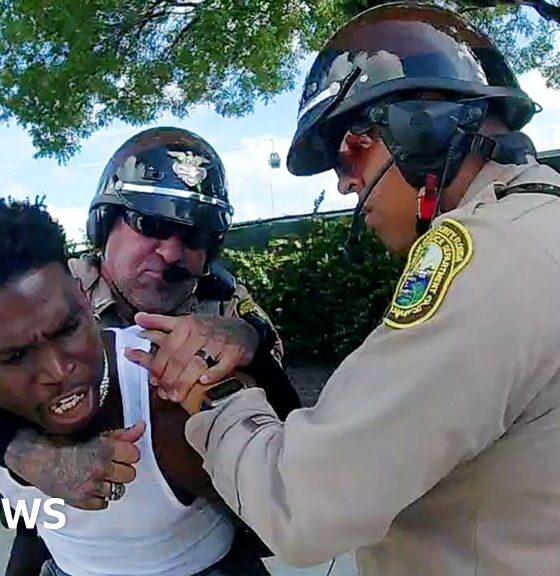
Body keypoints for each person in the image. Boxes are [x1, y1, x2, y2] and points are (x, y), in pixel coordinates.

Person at [126, 3, 560, 575]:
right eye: (152, 226)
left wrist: (214, 390)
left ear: (420, 126)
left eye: (350, 150)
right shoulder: (537, 225)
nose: (344, 181)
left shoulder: (487, 259)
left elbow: (300, 505)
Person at [0, 127, 300, 575]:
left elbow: (285, 436)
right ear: (105, 225)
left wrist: (247, 341)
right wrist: (21, 451)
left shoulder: (223, 302)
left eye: (195, 236)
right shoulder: (52, 278)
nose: (171, 253)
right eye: (152, 225)